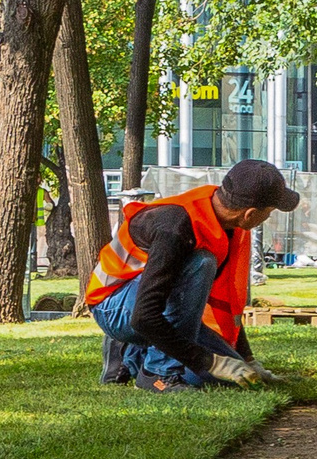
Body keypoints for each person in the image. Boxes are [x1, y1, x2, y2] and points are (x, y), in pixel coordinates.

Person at [86, 158, 299, 392]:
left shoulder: (228, 225)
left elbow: (225, 304)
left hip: (151, 308)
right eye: (269, 212)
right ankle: (158, 374)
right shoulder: (174, 228)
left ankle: (133, 354)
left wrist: (246, 360)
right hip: (115, 306)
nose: (267, 219)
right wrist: (210, 360)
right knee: (202, 263)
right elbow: (144, 316)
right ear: (249, 214)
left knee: (231, 380)